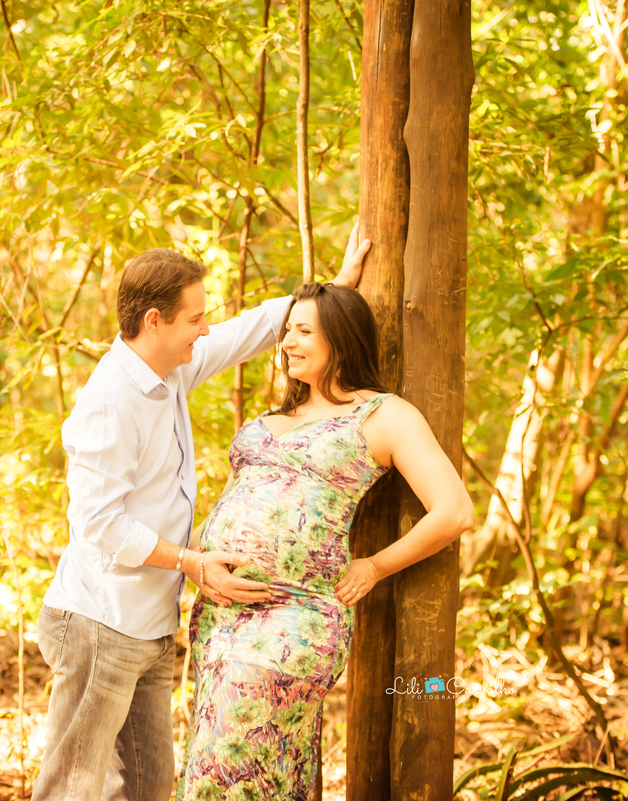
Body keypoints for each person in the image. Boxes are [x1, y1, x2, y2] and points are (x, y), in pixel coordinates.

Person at [33, 228, 372, 801]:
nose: (205, 328)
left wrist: (329, 299)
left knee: (146, 788)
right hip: (99, 622)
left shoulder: (170, 369)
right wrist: (192, 562)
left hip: (150, 624)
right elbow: (99, 524)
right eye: (195, 318)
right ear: (154, 321)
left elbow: (248, 331)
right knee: (76, 788)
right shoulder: (109, 400)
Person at [175, 281, 475, 800]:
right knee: (252, 764)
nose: (288, 342)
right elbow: (235, 505)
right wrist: (190, 560)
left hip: (296, 619)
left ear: (341, 337)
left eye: (303, 331)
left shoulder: (382, 415)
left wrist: (376, 566)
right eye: (287, 330)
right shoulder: (270, 420)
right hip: (221, 617)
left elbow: (454, 511)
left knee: (227, 765)